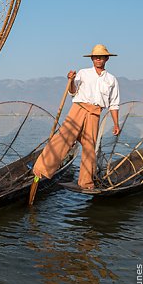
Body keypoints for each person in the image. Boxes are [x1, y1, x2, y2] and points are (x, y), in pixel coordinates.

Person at [32, 44, 120, 189]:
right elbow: (72, 92)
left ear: (106, 59)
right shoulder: (83, 73)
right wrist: (71, 80)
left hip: (95, 114)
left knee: (89, 147)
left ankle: (85, 182)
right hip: (78, 109)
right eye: (95, 57)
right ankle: (41, 169)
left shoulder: (111, 80)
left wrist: (116, 124)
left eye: (101, 57)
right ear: (92, 59)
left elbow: (114, 104)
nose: (98, 59)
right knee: (63, 138)